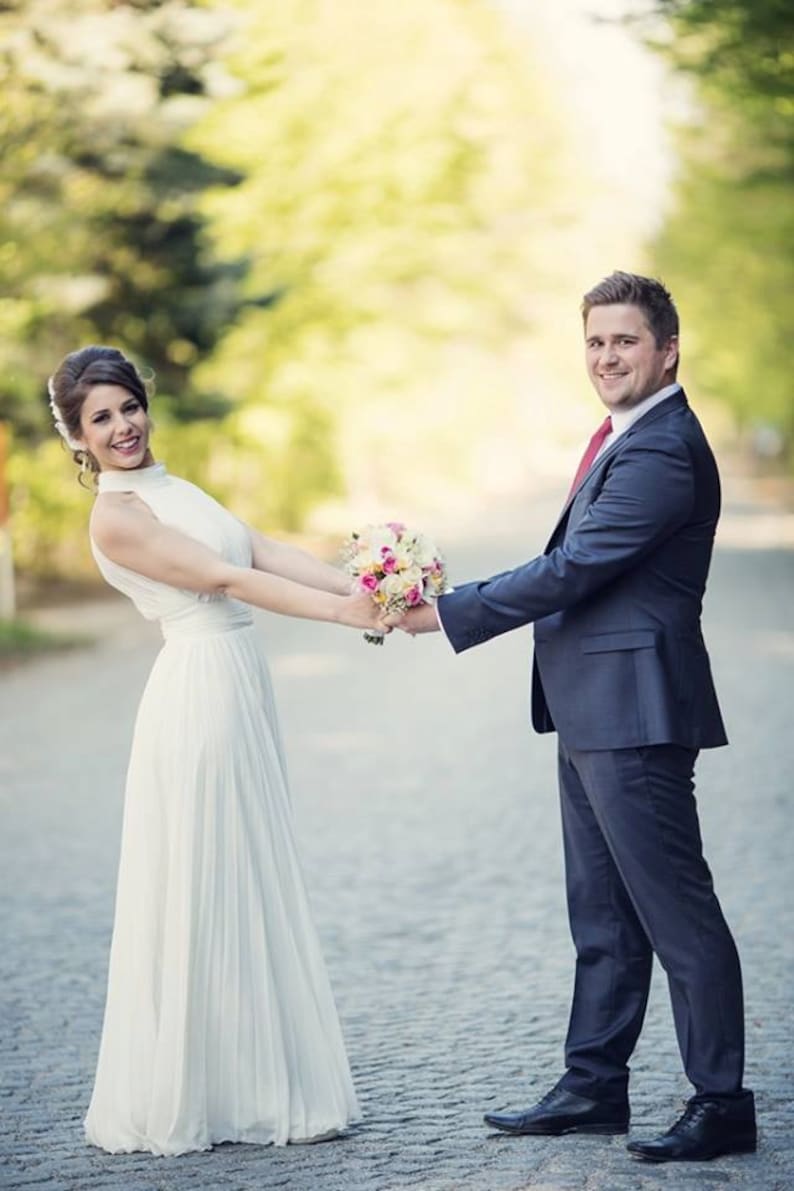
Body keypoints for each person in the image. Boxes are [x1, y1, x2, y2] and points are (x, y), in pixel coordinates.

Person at [387, 272, 756, 1163]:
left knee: (678, 913)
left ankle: (723, 1100)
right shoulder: (625, 437)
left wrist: (448, 609)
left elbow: (576, 567)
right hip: (593, 708)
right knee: (602, 913)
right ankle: (594, 1084)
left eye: (624, 341)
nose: (606, 357)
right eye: (594, 342)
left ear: (668, 348)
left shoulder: (665, 447)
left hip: (635, 711)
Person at [48, 345, 381, 1156]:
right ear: (78, 439)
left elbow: (257, 549)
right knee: (207, 871)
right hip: (197, 690)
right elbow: (221, 580)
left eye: (129, 406)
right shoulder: (117, 516)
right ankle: (207, 1090)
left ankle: (255, 1073)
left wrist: (364, 582)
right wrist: (343, 619)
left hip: (239, 679)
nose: (123, 425)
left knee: (250, 865)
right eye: (102, 418)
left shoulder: (175, 486)